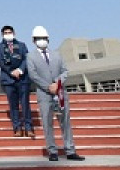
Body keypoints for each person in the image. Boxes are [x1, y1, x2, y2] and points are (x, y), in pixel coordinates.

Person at [27, 26, 85, 162]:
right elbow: (33, 75)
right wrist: (48, 87)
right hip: (44, 94)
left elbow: (65, 71)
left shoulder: (57, 54)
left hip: (60, 93)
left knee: (65, 122)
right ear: (34, 41)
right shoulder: (30, 57)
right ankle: (52, 150)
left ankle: (70, 150)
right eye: (38, 38)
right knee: (47, 123)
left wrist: (57, 84)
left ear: (48, 39)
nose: (42, 40)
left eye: (44, 38)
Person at [0, 25, 34, 138]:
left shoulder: (22, 45)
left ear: (14, 33)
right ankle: (17, 127)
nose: (8, 34)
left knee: (25, 104)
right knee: (13, 105)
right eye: (6, 32)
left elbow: (26, 59)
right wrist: (11, 71)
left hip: (22, 78)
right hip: (8, 78)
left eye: (10, 32)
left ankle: (28, 127)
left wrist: (20, 70)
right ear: (2, 35)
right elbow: (0, 61)